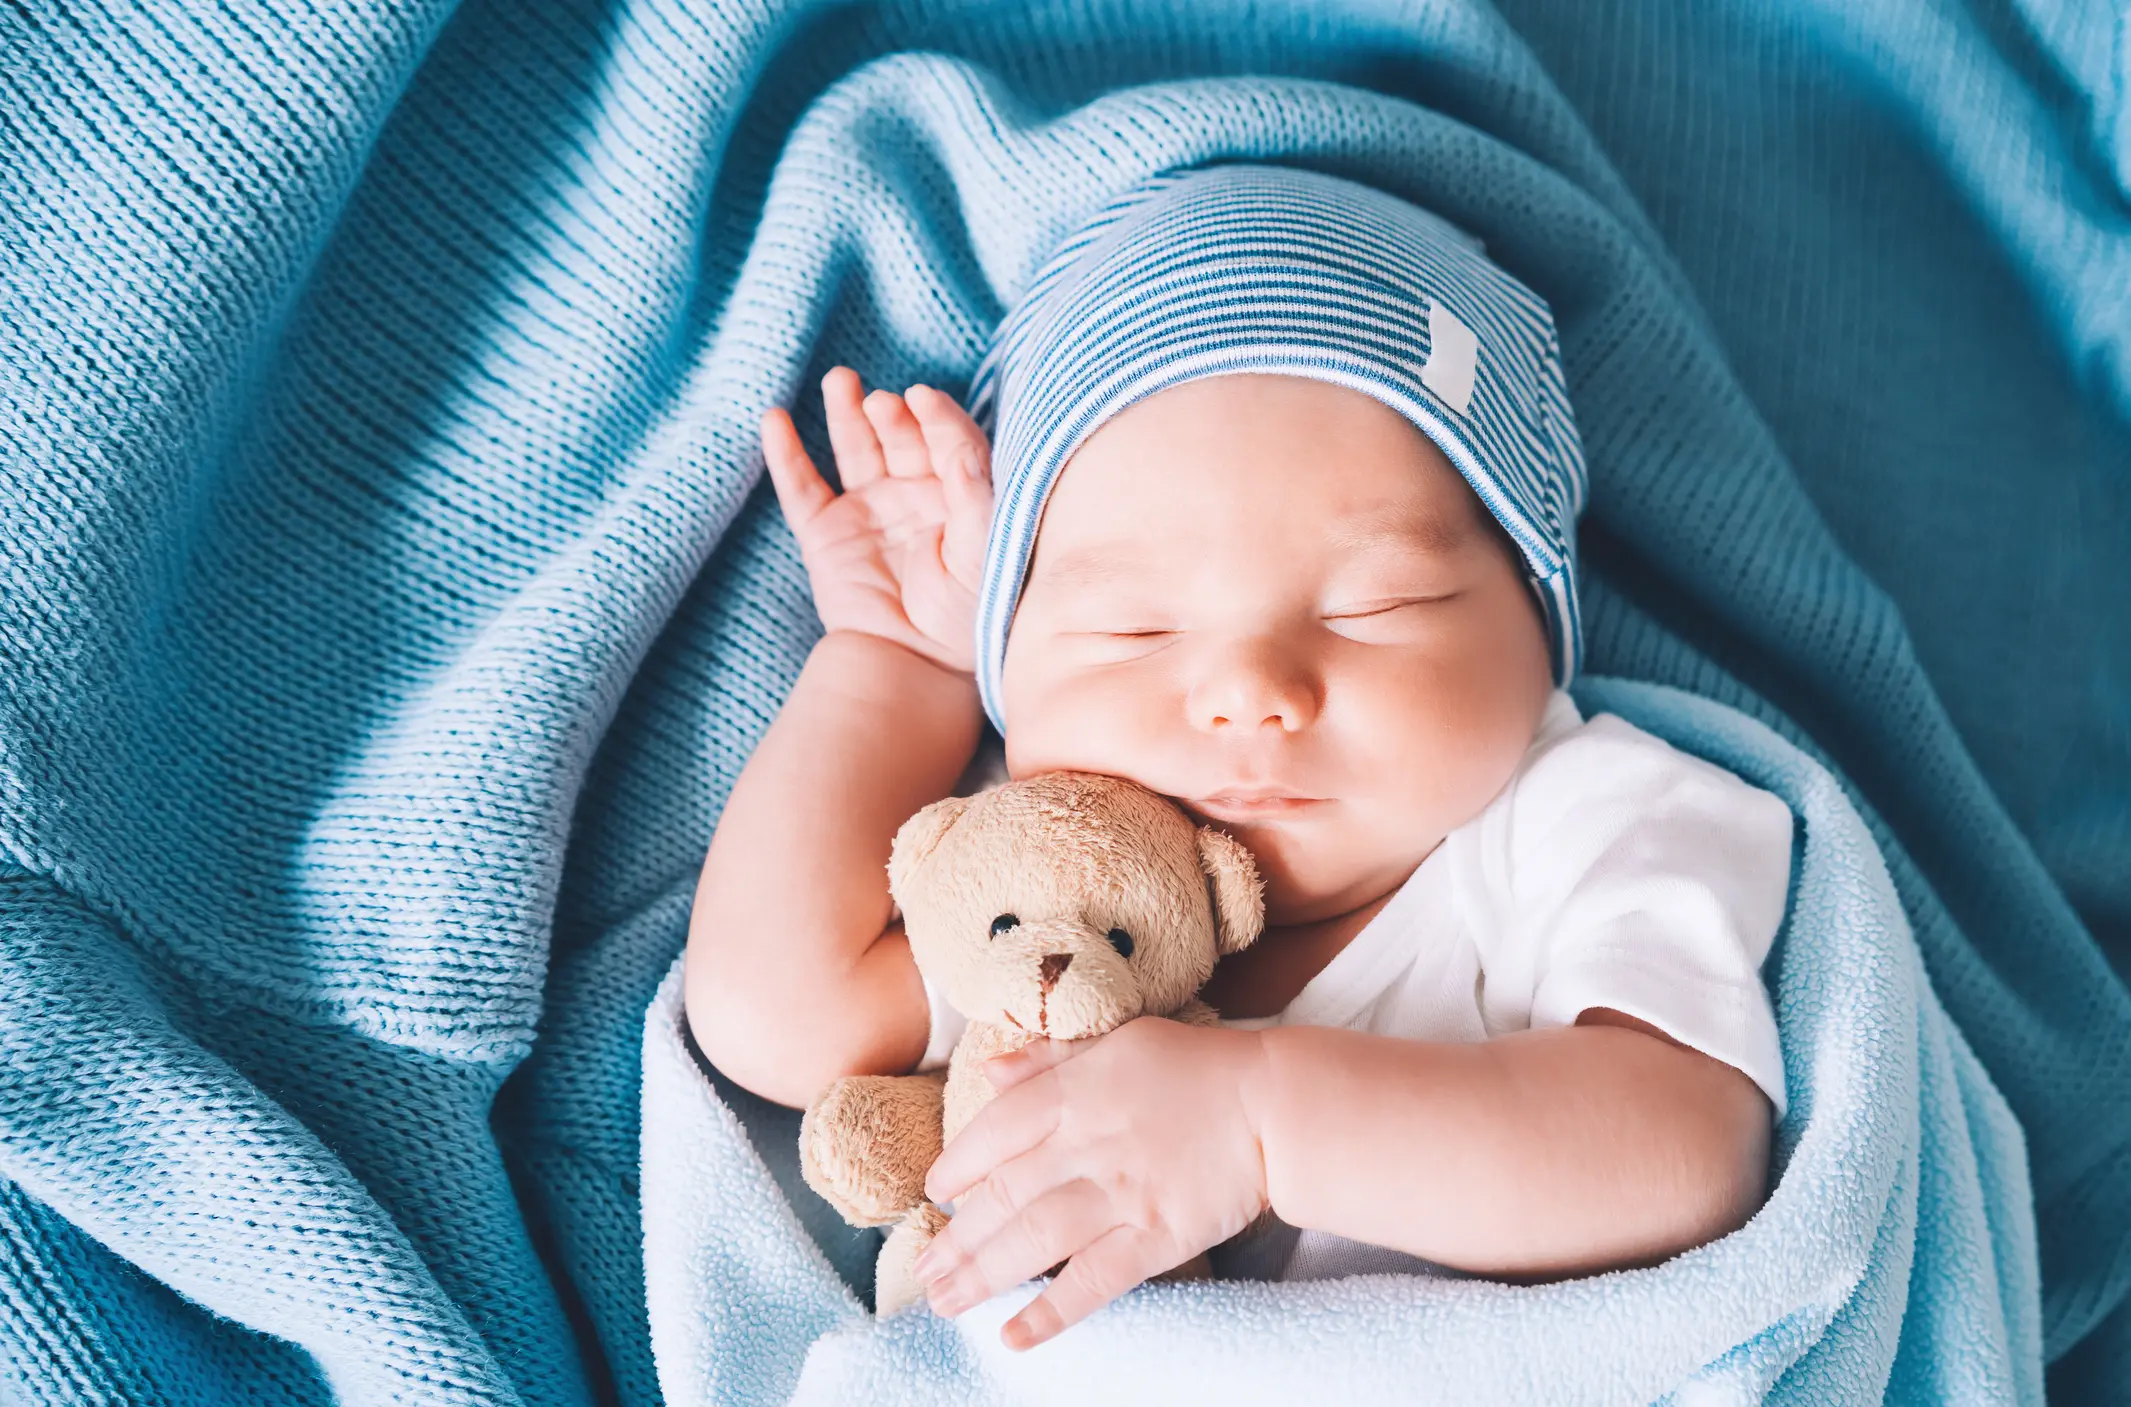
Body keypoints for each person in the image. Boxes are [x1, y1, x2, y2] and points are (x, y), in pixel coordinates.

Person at [686, 164, 1793, 1352]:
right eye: (1132, 629)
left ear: (1538, 625)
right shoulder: (1049, 891)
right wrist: (898, 665)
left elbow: (1690, 1145)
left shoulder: (1577, 821)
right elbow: (774, 1015)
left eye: (1380, 605)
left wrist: (1265, 1123)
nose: (1250, 694)